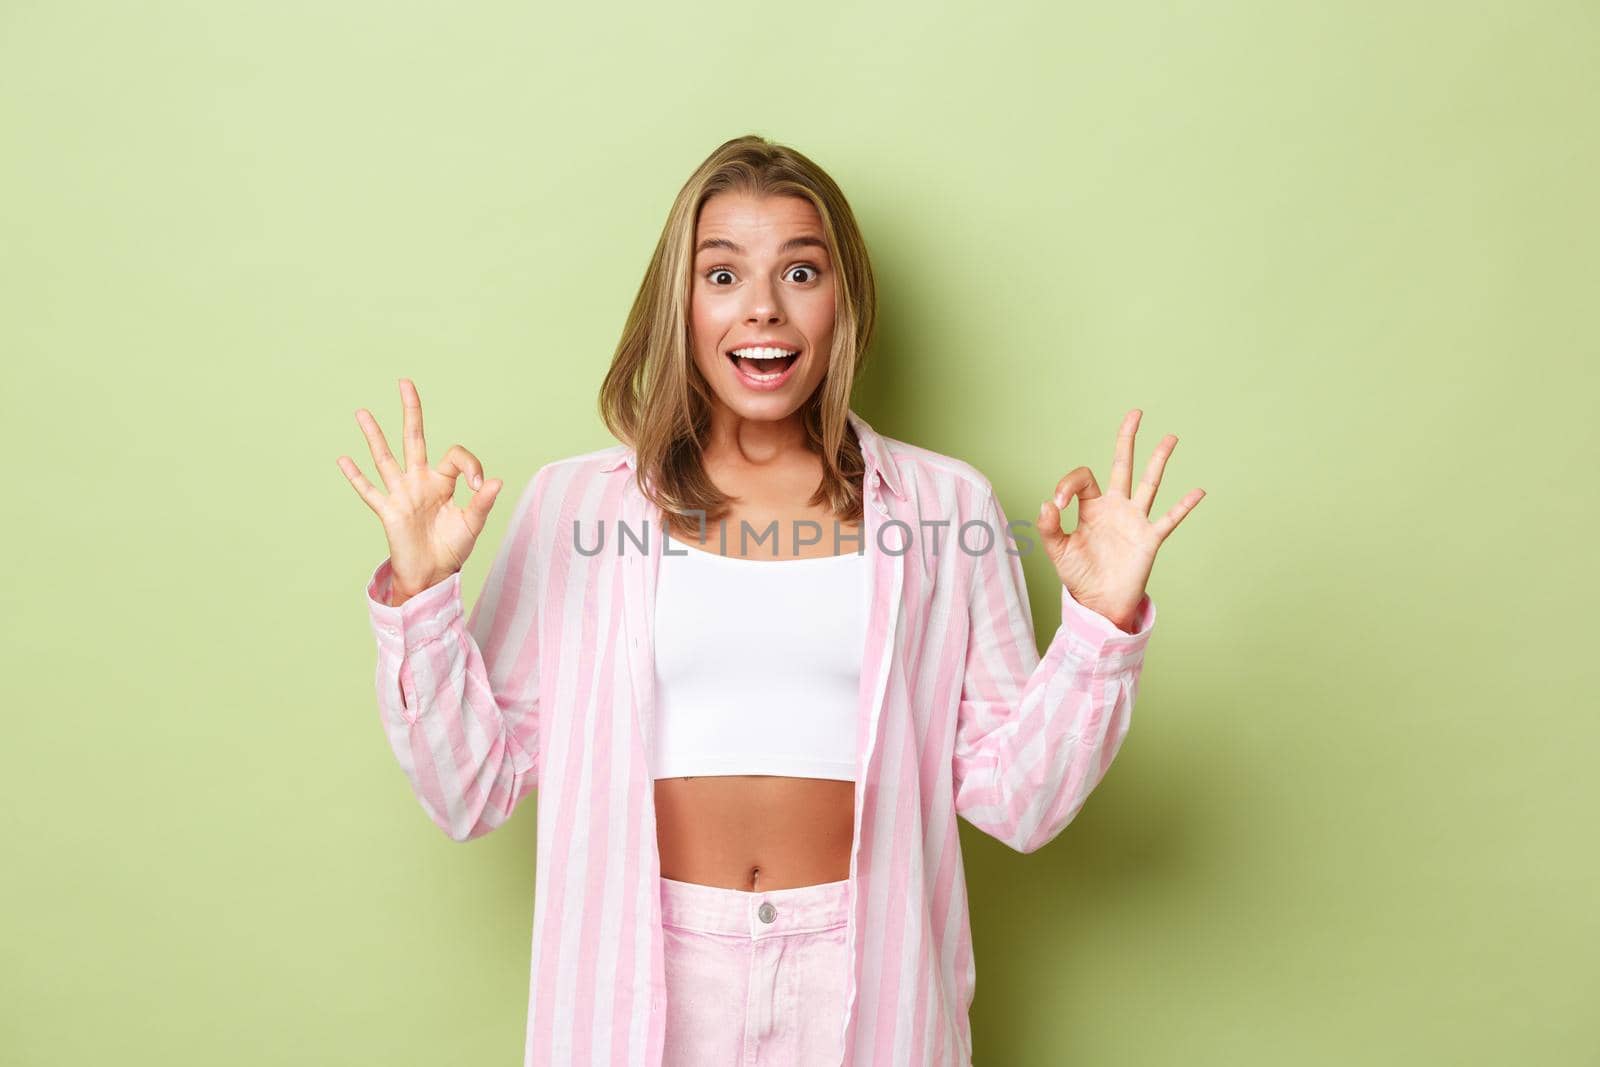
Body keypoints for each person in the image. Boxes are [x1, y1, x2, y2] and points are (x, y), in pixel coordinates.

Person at [337, 134, 1203, 1067]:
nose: (762, 307)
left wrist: (1100, 627)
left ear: (845, 302)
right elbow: (471, 786)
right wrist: (423, 596)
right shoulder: (575, 507)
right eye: (722, 275)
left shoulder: (947, 507)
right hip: (644, 969)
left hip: (864, 974)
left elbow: (1018, 802)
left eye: (800, 270)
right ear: (681, 304)